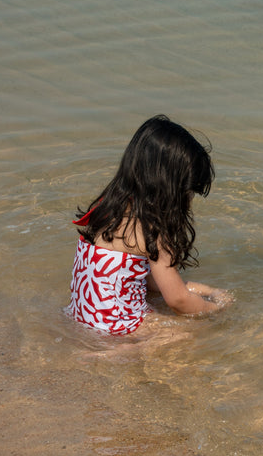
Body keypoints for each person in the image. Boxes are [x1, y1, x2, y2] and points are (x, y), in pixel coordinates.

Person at [66, 114, 231, 336]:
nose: (190, 198)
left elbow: (148, 282)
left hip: (83, 319)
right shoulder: (153, 230)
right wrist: (216, 308)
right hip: (119, 331)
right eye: (188, 191)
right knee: (189, 336)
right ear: (169, 188)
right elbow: (178, 300)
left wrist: (205, 290)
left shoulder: (107, 209)